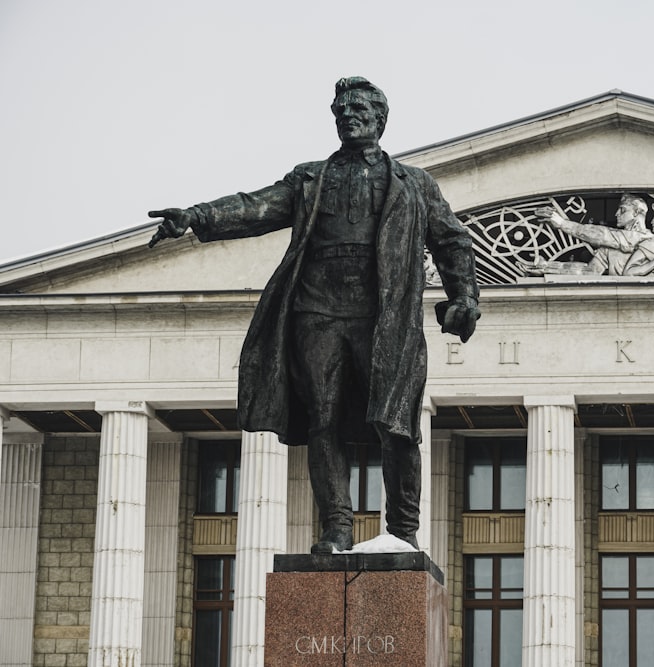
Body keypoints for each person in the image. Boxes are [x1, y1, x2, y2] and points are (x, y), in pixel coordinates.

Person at [148, 77, 480, 552]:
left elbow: (451, 239)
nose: (350, 114)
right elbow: (255, 207)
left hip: (384, 317)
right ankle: (338, 526)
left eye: (360, 107)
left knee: (396, 426)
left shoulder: (415, 184)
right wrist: (196, 216)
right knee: (323, 419)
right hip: (317, 309)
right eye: (342, 108)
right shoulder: (310, 178)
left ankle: (403, 532)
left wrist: (463, 295)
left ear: (380, 118)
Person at [533, 194, 653, 275]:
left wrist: (562, 223)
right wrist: (548, 266)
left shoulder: (650, 240)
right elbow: (588, 271)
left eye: (622, 210)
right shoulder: (610, 248)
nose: (616, 214)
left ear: (637, 212)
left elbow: (602, 235)